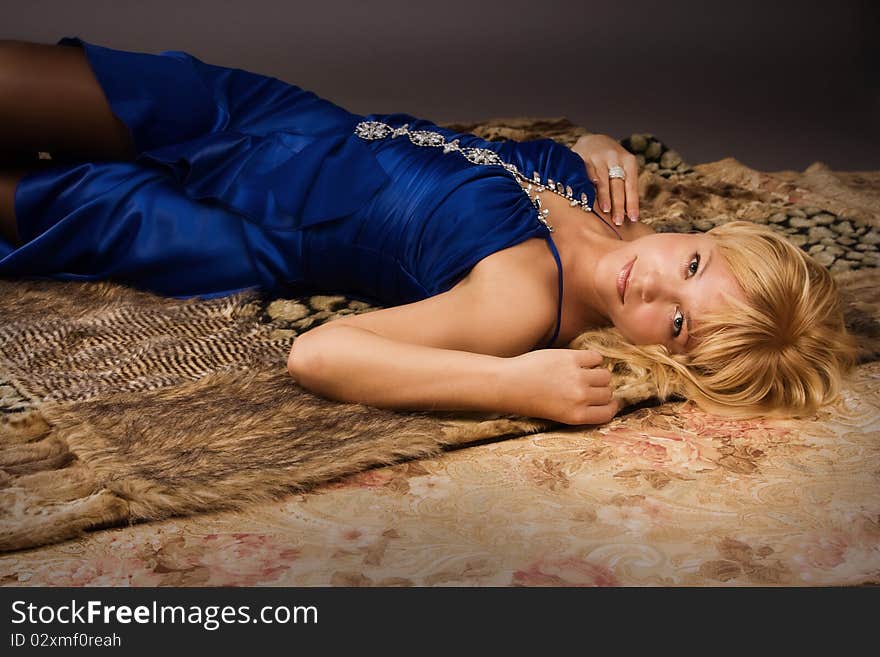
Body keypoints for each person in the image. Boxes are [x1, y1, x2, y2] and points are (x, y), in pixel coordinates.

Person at [0, 38, 859, 427]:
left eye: (675, 321)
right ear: (703, 231)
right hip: (272, 117)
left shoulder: (522, 301)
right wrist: (592, 144)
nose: (654, 281)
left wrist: (517, 386)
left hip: (236, 223)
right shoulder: (609, 207)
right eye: (693, 264)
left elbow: (321, 355)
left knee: (38, 197)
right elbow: (516, 156)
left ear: (666, 354)